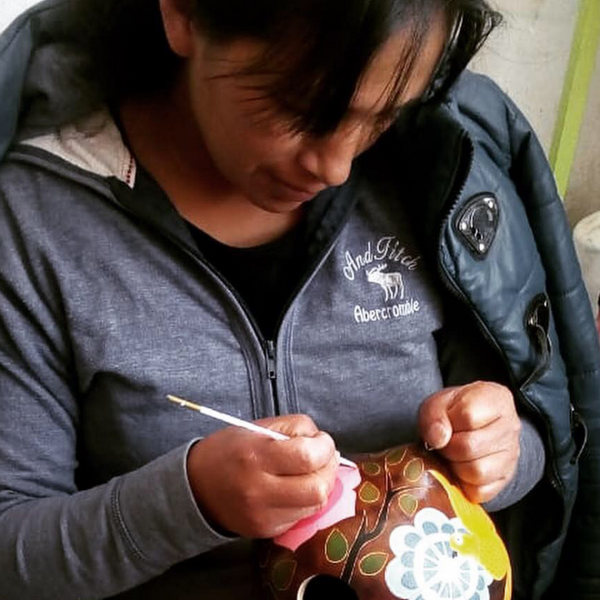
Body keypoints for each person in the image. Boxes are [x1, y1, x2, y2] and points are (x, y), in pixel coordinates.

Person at [0, 0, 598, 599]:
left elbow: (534, 438)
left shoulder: (436, 172)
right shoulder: (37, 225)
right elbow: (11, 554)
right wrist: (188, 501)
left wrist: (505, 451)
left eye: (382, 118)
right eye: (302, 110)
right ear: (182, 14)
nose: (337, 165)